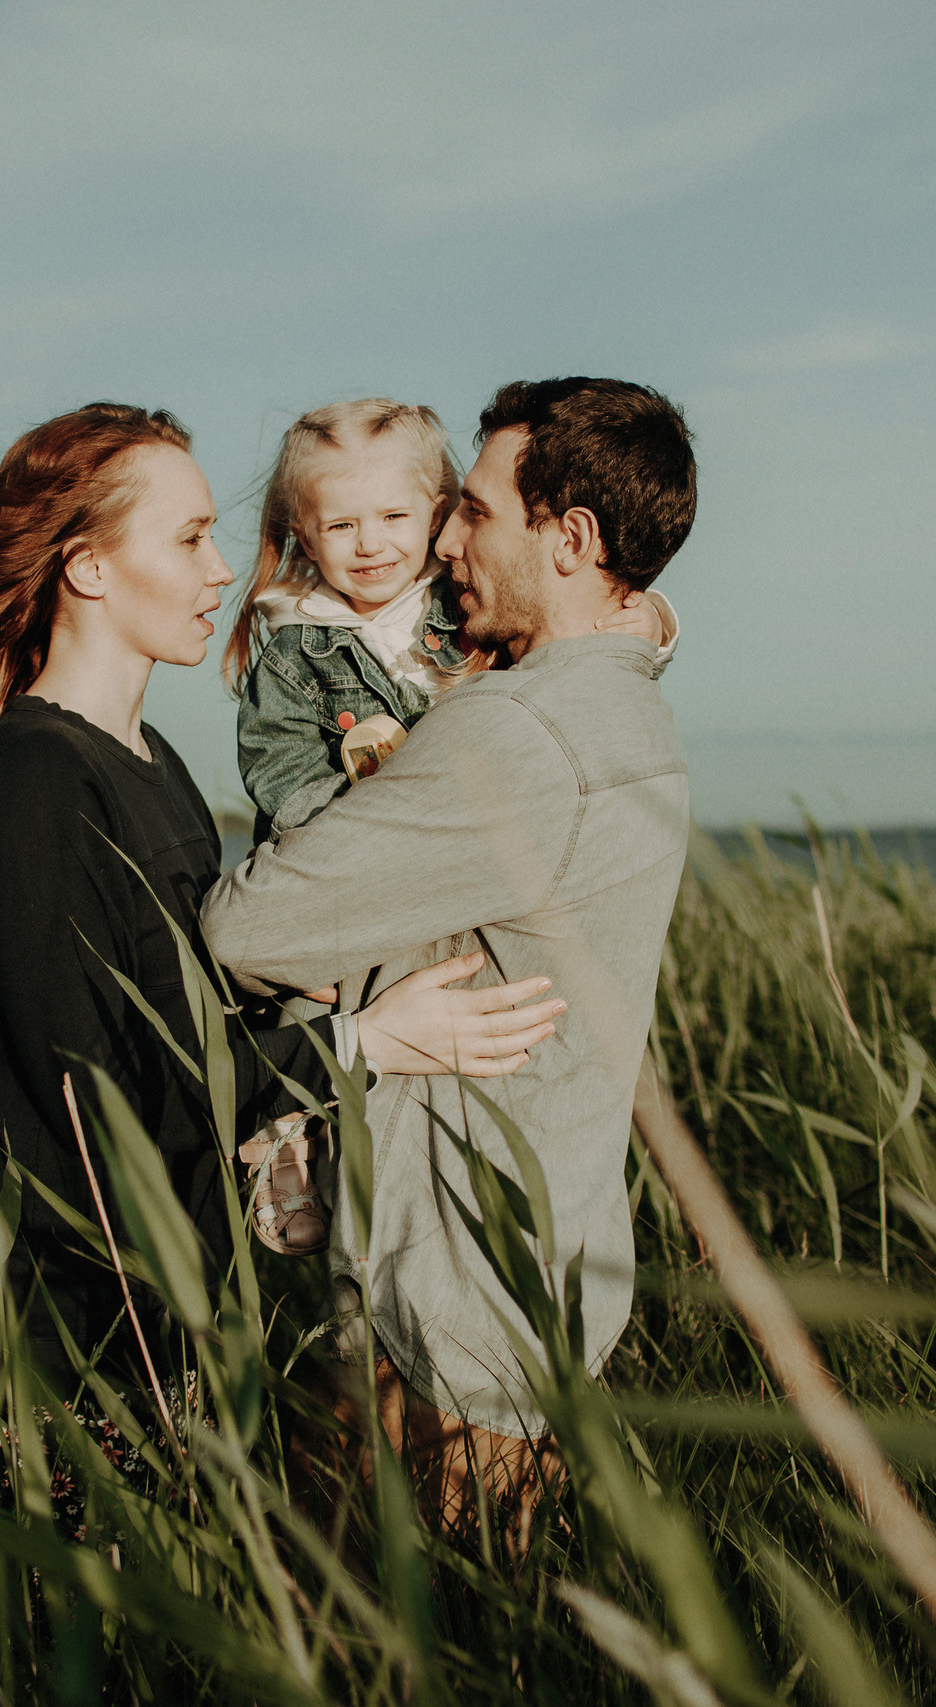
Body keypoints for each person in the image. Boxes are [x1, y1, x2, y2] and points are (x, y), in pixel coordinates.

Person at [0, 401, 567, 1385]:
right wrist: (364, 1042)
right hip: (46, 1341)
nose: (222, 569)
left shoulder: (154, 766)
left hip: (161, 1309)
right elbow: (90, 1087)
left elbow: (185, 1015)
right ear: (90, 568)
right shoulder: (35, 780)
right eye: (191, 537)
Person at [199, 377, 698, 1522]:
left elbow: (248, 929)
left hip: (447, 1306)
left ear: (569, 540)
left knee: (388, 1633)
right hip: (533, 1266)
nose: (441, 540)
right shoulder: (615, 701)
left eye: (469, 512)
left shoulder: (511, 726)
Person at [223, 398, 674, 843]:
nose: (370, 544)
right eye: (341, 526)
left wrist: (650, 625)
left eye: (393, 516)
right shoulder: (293, 660)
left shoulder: (469, 603)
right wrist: (387, 813)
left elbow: (559, 639)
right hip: (375, 854)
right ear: (306, 540)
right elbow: (286, 789)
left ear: (433, 516)